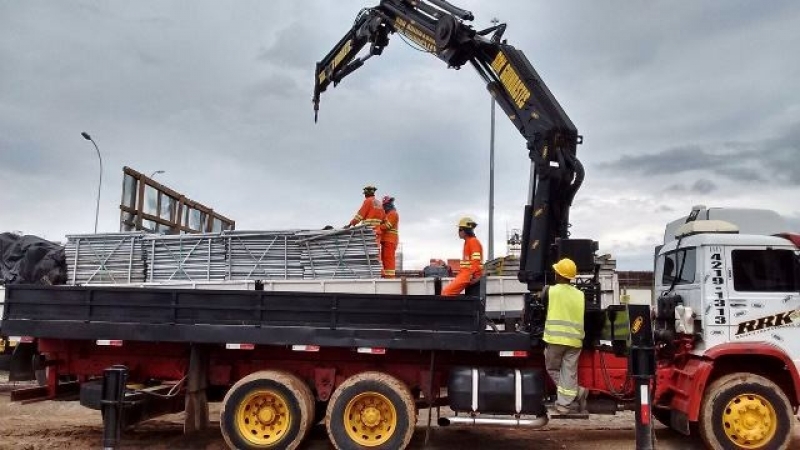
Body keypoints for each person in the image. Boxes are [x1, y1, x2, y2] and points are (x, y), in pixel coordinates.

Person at [543, 258, 588, 414]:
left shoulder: (551, 290)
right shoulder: (580, 294)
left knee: (552, 368)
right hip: (575, 340)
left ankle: (574, 394)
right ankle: (564, 403)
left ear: (559, 275)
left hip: (556, 339)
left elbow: (542, 301)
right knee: (569, 371)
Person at [442, 217, 483, 296]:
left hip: (467, 275)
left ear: (466, 231)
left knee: (446, 293)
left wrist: (471, 275)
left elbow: (476, 261)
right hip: (465, 274)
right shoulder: (467, 242)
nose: (458, 232)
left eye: (460, 230)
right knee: (447, 293)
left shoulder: (473, 242)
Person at [378, 195, 399, 278]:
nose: (384, 207)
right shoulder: (388, 214)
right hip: (386, 241)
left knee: (389, 260)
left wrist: (378, 227)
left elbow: (388, 225)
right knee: (385, 259)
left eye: (385, 205)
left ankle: (390, 278)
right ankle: (387, 276)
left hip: (390, 240)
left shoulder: (393, 214)